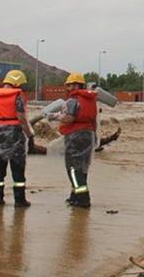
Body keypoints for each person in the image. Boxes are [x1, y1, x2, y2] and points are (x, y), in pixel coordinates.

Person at [0, 69, 35, 207]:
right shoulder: (18, 96)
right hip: (15, 133)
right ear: (17, 83)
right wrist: (30, 135)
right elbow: (21, 118)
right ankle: (19, 200)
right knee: (17, 168)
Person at [54, 73, 97, 209]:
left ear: (78, 85)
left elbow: (69, 119)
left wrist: (54, 116)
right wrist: (94, 136)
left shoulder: (73, 101)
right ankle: (74, 196)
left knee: (73, 168)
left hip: (75, 136)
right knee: (82, 167)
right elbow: (93, 120)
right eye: (69, 85)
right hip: (88, 135)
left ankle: (83, 199)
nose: (69, 88)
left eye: (71, 85)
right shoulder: (90, 100)